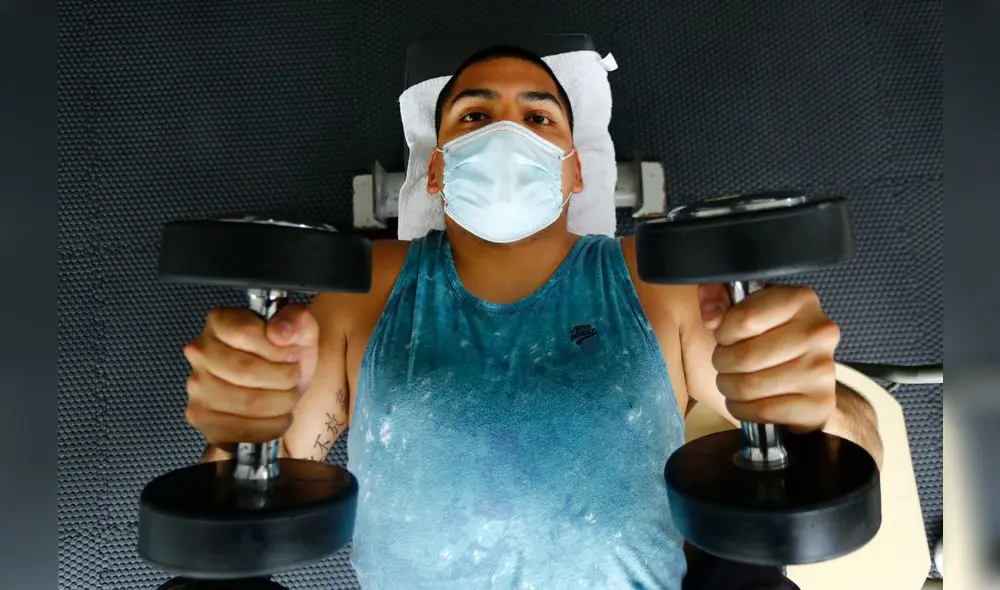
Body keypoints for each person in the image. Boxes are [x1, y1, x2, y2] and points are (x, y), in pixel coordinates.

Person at [181, 45, 883, 590]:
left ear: (574, 171)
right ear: (437, 171)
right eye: (475, 116)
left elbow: (852, 448)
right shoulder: (362, 293)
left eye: (539, 116)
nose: (507, 132)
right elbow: (253, 489)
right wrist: (245, 417)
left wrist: (808, 408)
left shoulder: (656, 281)